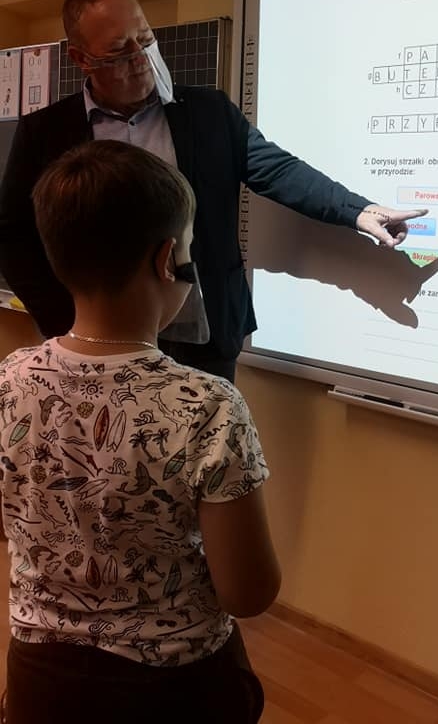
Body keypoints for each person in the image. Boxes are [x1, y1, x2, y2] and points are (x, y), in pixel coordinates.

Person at [0, 0, 427, 382]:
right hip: (99, 342)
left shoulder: (207, 112)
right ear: (81, 59)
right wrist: (63, 323)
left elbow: (278, 170)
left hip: (203, 335)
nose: (141, 58)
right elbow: (12, 238)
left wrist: (358, 211)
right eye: (119, 51)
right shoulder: (45, 133)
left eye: (146, 39)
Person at [0, 140, 280, 724]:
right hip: (178, 687)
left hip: (40, 682)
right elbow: (249, 594)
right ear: (166, 260)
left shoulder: (8, 381)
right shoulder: (208, 406)